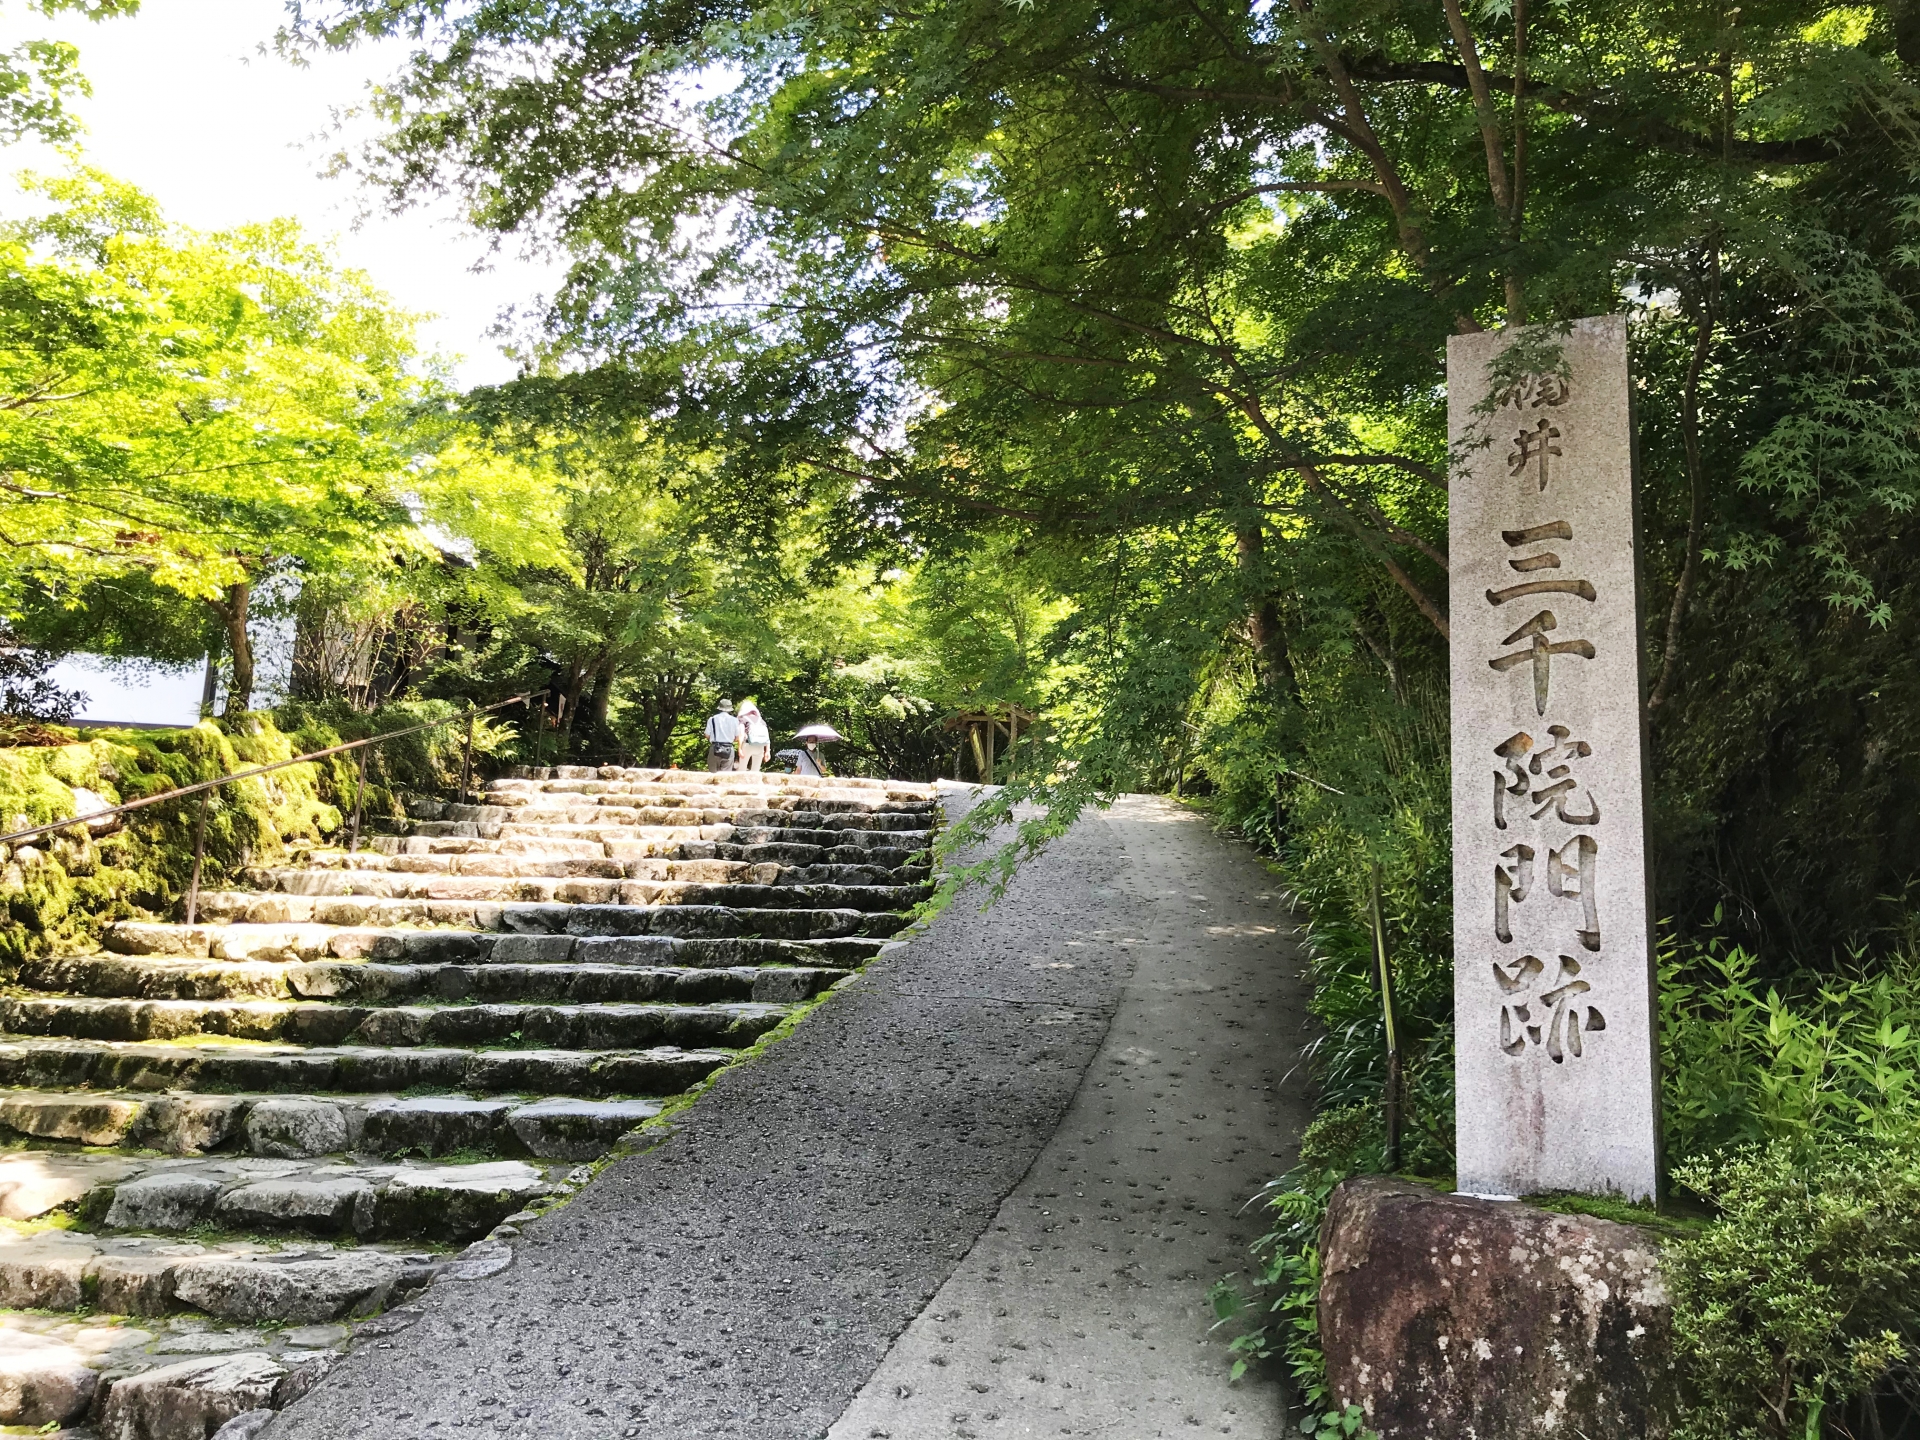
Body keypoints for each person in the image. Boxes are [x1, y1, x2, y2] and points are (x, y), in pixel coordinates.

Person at [703, 698, 741, 771]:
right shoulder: (735, 720)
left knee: (713, 774)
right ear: (730, 709)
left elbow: (707, 735)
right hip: (728, 748)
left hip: (715, 748)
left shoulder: (712, 719)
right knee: (725, 776)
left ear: (719, 708)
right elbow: (737, 737)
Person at [737, 701, 771, 773]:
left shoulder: (743, 719)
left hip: (747, 745)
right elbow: (767, 736)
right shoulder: (761, 720)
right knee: (755, 771)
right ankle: (754, 783)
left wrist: (739, 748)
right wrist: (767, 751)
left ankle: (742, 784)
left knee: (742, 770)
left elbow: (741, 734)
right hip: (760, 746)